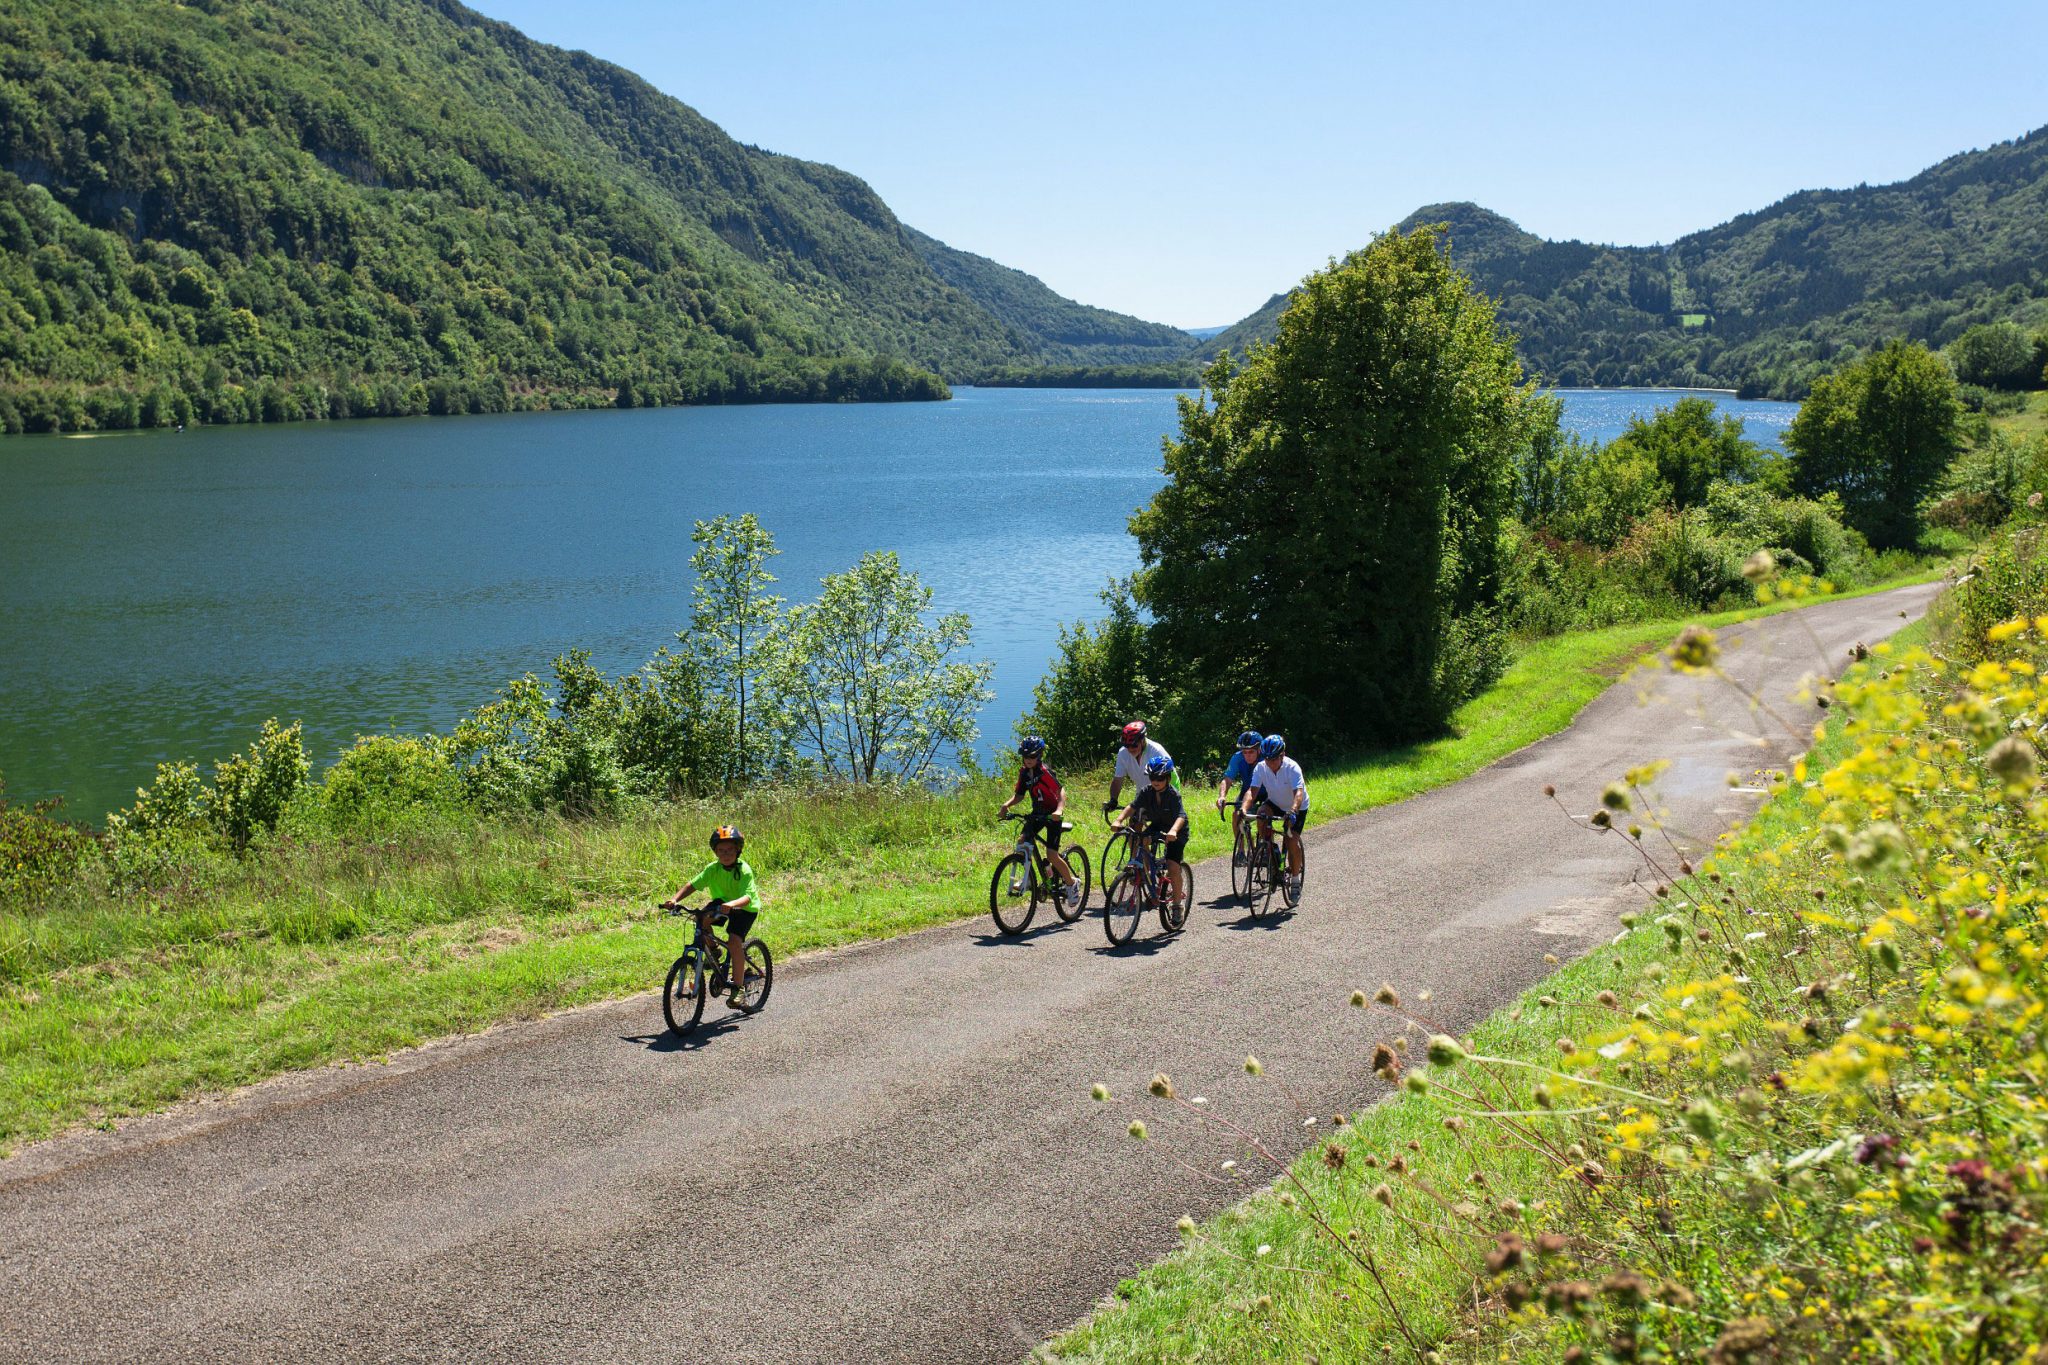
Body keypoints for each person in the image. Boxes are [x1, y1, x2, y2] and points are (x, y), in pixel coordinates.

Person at [662, 823, 761, 1006]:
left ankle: (738, 988)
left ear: (738, 850)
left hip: (744, 908)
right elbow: (692, 885)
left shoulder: (744, 870)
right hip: (722, 903)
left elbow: (747, 897)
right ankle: (714, 951)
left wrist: (731, 904)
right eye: (721, 850)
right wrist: (675, 900)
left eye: (730, 850)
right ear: (715, 852)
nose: (725, 854)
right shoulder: (712, 869)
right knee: (701, 918)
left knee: (734, 942)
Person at [996, 735, 1081, 906]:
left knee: (1051, 854)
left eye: (1032, 756)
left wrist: (1059, 810)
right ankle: (1028, 878)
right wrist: (1007, 805)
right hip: (1037, 813)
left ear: (1039, 756)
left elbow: (1061, 791)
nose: (1028, 760)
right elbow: (1020, 795)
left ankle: (1072, 884)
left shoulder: (1045, 772)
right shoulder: (1024, 773)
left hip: (1052, 816)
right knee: (1022, 842)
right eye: (1026, 756)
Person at [1117, 754, 1190, 913]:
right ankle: (1149, 874)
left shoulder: (1173, 795)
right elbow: (1132, 806)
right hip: (1158, 826)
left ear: (1168, 778)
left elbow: (1181, 816)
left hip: (1176, 830)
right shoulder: (1146, 792)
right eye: (1152, 777)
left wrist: (1173, 831)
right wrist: (1119, 819)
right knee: (1138, 840)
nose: (1156, 781)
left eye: (1160, 777)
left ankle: (1177, 905)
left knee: (1172, 866)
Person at [1240, 734, 1307, 895]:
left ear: (1282, 755)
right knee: (1262, 814)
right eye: (1267, 759)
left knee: (1291, 841)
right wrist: (1243, 809)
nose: (1270, 763)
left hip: (1296, 806)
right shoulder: (1261, 767)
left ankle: (1296, 879)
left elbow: (1298, 793)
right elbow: (1252, 791)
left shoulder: (1292, 768)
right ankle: (1270, 848)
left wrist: (1292, 811)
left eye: (1273, 759)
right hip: (1275, 803)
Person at [1105, 720, 1177, 817]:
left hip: (1166, 791)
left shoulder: (1156, 752)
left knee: (1159, 824)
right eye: (1127, 746)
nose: (1130, 749)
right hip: (1144, 792)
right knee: (1134, 822)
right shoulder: (1123, 753)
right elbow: (1118, 780)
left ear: (1143, 740)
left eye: (1134, 745)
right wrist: (1113, 800)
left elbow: (1167, 780)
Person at [1214, 729, 1265, 859]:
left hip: (1267, 792)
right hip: (1248, 792)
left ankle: (1265, 846)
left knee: (1263, 815)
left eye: (1251, 752)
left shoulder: (1266, 758)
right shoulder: (1237, 758)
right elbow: (1227, 779)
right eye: (1245, 752)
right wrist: (1222, 796)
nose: (1247, 755)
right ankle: (1241, 851)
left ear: (1259, 750)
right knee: (1236, 816)